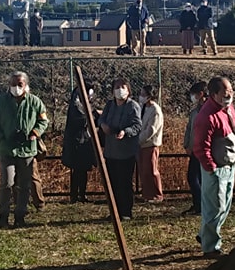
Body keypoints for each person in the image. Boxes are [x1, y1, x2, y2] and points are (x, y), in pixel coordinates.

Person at [0, 71, 47, 228]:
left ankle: (20, 215)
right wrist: (0, 137)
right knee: (7, 183)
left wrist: (34, 133)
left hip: (27, 149)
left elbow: (43, 121)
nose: (16, 87)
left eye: (19, 84)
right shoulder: (0, 102)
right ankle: (3, 216)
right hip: (7, 149)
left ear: (26, 85)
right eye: (13, 84)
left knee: (25, 185)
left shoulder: (35, 102)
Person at [193, 76, 235, 257]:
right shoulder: (207, 116)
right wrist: (211, 167)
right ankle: (210, 247)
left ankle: (206, 234)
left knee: (224, 206)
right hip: (216, 169)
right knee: (214, 207)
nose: (230, 95)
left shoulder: (228, 109)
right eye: (226, 92)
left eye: (231, 91)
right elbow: (200, 146)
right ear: (214, 94)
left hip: (229, 165)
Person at [98, 80, 143, 220]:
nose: (120, 90)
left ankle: (125, 212)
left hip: (126, 151)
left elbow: (137, 125)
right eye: (117, 87)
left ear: (128, 90)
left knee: (124, 183)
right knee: (113, 183)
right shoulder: (110, 105)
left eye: (123, 87)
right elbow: (101, 119)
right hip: (111, 151)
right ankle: (114, 211)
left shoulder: (133, 106)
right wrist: (103, 125)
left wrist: (125, 132)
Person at [62, 85, 98, 203]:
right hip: (77, 142)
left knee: (82, 170)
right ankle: (75, 196)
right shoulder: (75, 105)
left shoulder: (81, 104)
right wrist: (95, 115)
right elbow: (84, 117)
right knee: (78, 170)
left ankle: (81, 195)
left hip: (83, 140)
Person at [182, 80, 208, 215]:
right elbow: (189, 128)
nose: (192, 97)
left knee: (197, 179)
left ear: (201, 94)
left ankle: (201, 205)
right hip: (194, 150)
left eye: (194, 94)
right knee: (193, 178)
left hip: (204, 151)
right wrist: (186, 144)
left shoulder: (209, 111)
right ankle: (197, 204)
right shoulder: (194, 112)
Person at [136, 85, 164, 203]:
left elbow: (151, 130)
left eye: (143, 94)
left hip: (150, 144)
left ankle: (157, 195)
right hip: (141, 145)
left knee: (151, 170)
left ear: (149, 96)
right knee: (143, 170)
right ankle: (146, 194)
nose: (140, 97)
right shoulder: (143, 107)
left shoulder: (155, 110)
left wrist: (139, 140)